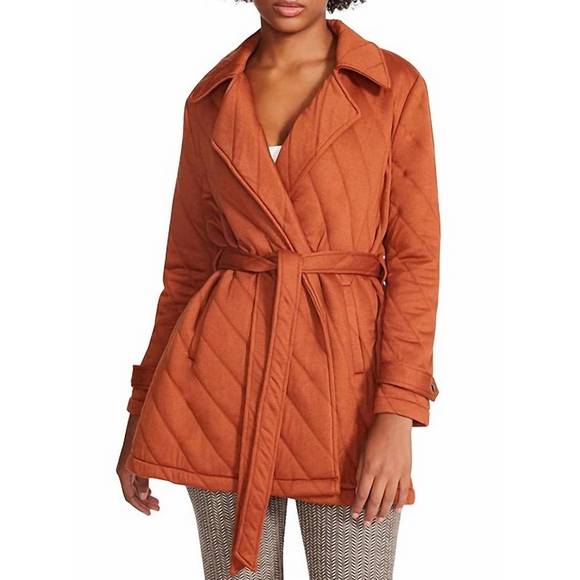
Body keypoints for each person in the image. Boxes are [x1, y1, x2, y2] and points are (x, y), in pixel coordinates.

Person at [117, 1, 441, 578]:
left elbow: (416, 261)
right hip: (223, 387)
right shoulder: (211, 98)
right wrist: (142, 411)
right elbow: (186, 269)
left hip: (345, 392)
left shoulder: (391, 86)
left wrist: (399, 410)